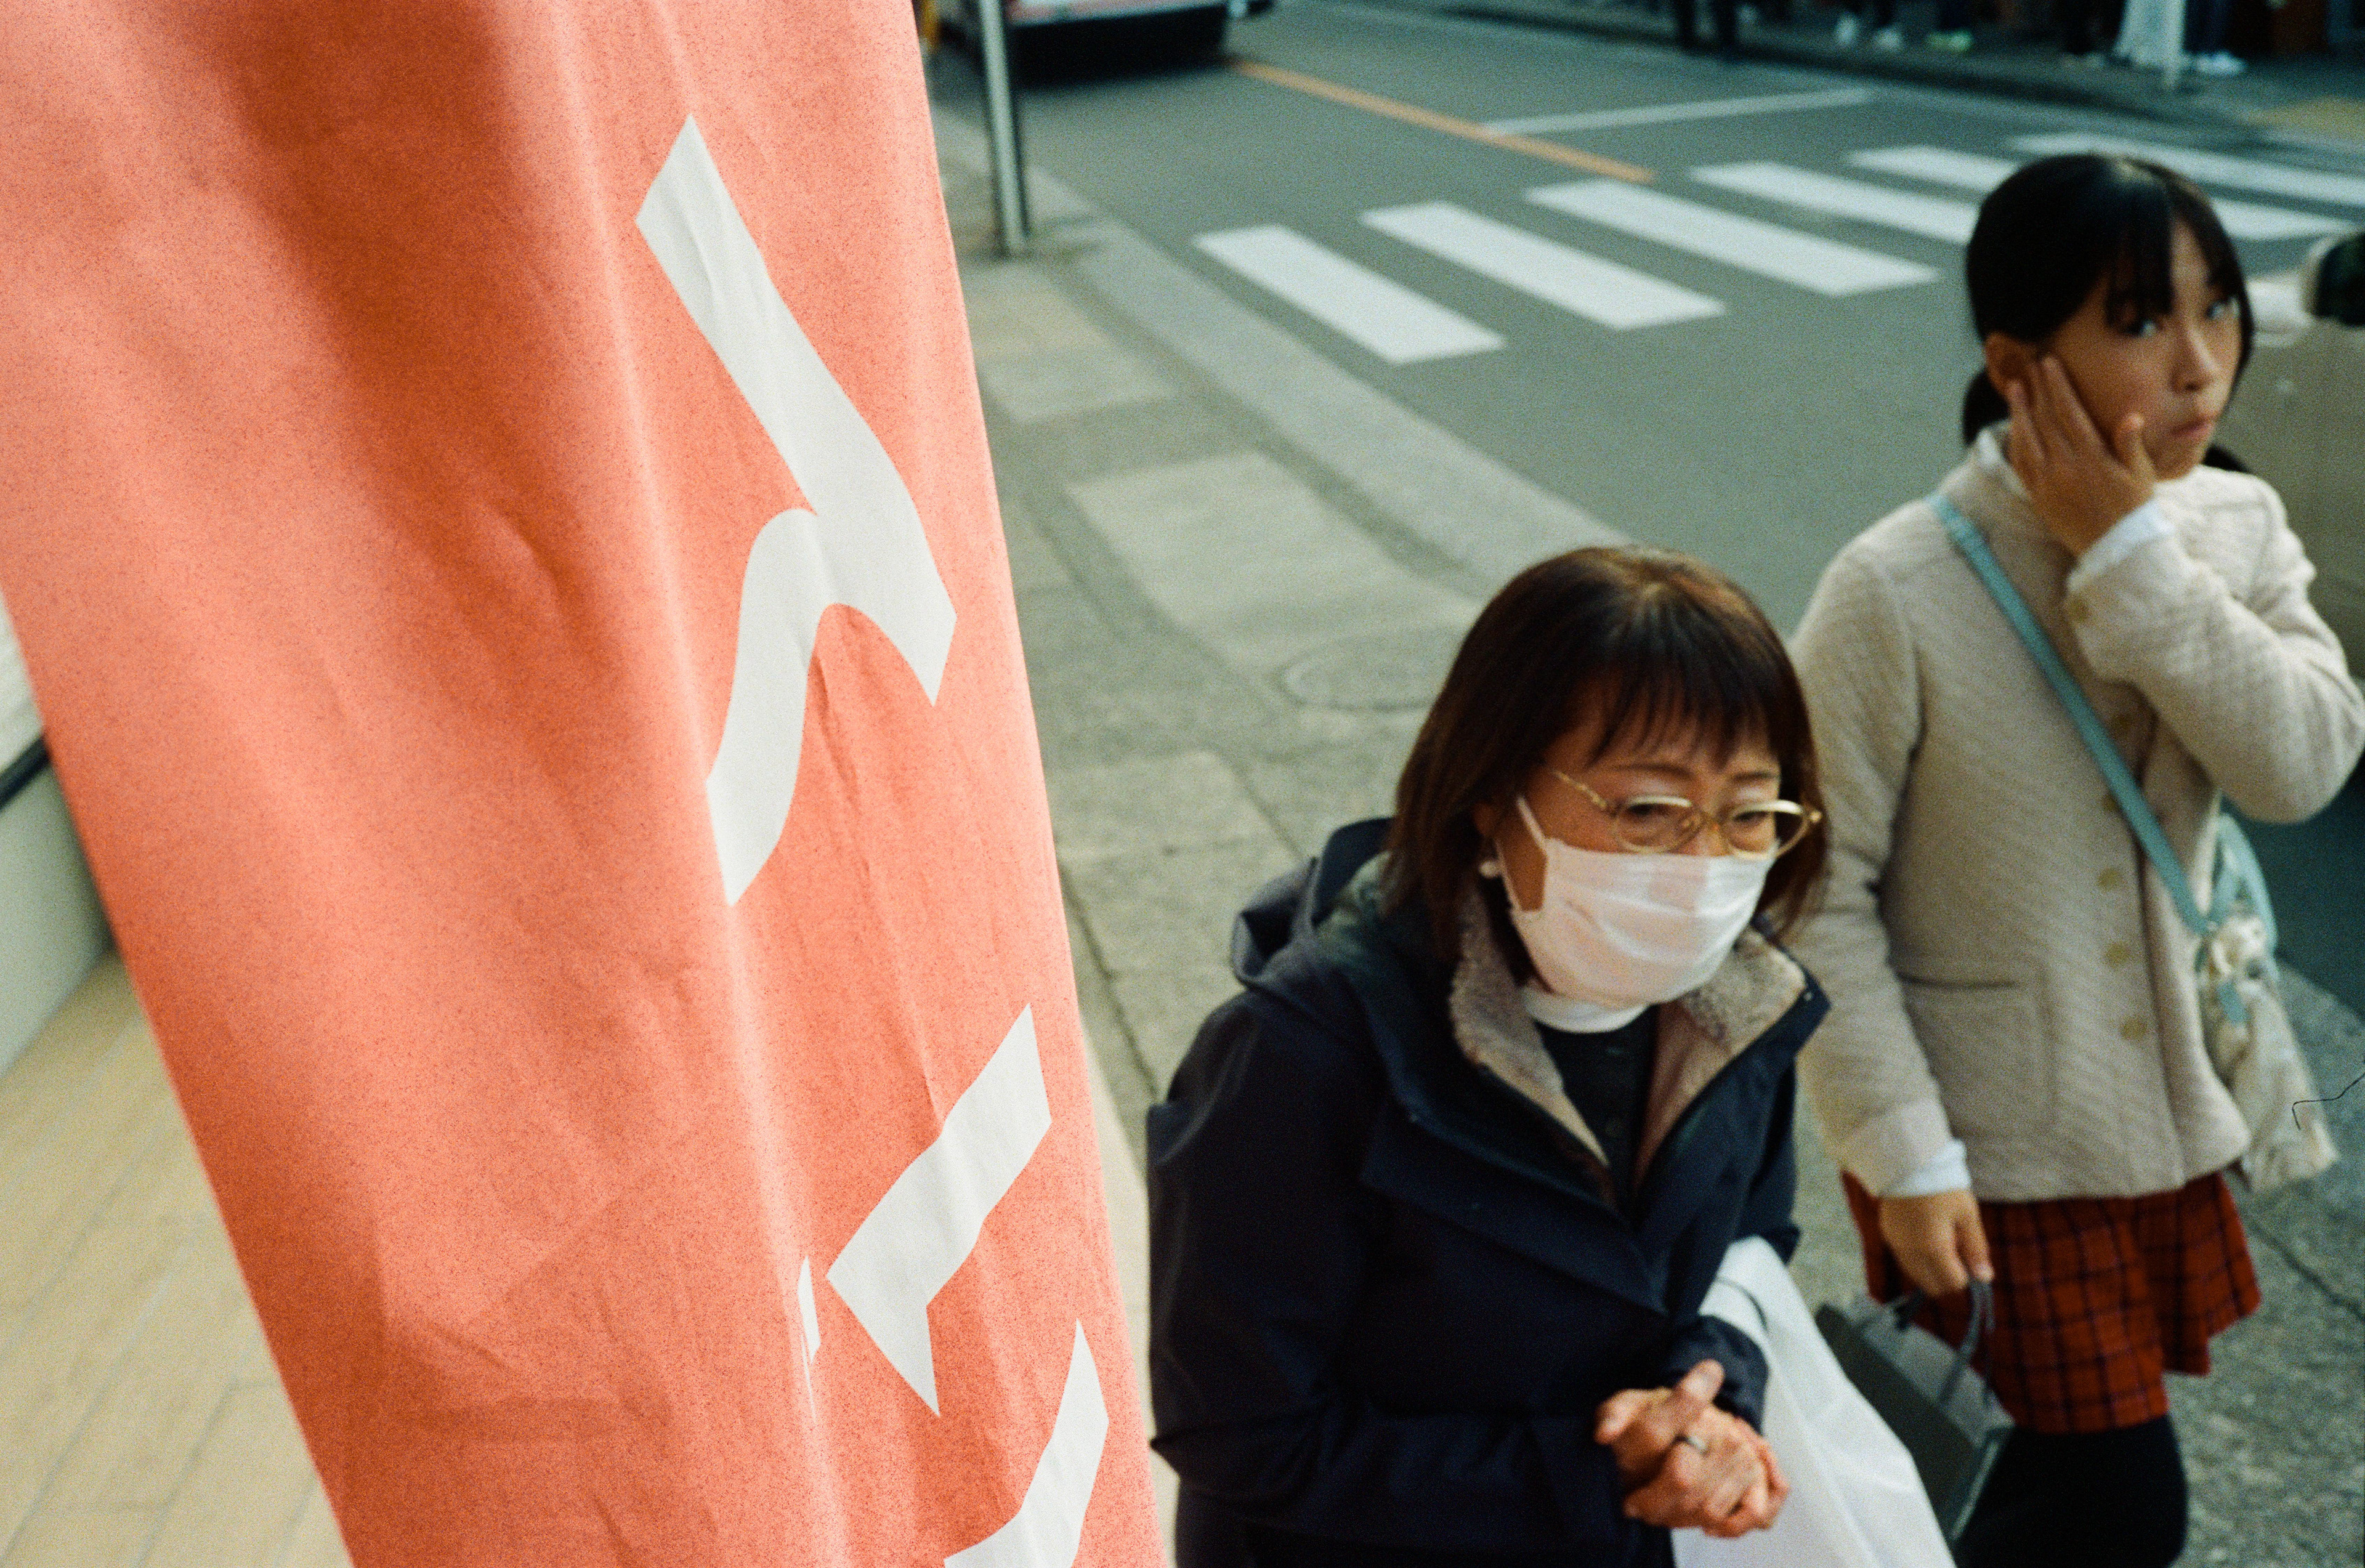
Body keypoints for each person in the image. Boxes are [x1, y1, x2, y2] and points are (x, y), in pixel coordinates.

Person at [1790, 153, 2365, 1568]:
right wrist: (1902, 1148)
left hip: (2156, 1120)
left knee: (2025, 1487)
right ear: (2017, 361)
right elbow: (1811, 892)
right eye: (2140, 319)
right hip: (1982, 1151)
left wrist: (2135, 559)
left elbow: (2301, 762)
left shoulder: (2235, 528)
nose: (2199, 364)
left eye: (2219, 309)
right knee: (2116, 1505)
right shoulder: (1895, 586)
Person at [1147, 549, 1832, 1567]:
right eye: (1648, 811)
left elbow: (1747, 1242)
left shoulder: (1737, 1016)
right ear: (1491, 795)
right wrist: (1593, 1474)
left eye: (1747, 816)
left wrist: (1702, 1402)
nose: (1704, 870)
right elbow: (1242, 1427)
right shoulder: (1301, 1056)